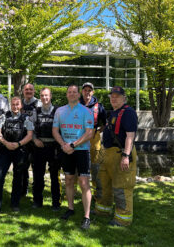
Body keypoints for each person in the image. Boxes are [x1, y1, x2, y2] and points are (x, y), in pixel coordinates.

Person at [52, 85, 95, 230]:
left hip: (81, 150)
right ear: (66, 94)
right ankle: (70, 208)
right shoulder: (60, 111)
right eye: (69, 92)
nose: (71, 94)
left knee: (84, 183)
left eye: (74, 92)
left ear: (79, 95)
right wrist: (64, 144)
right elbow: (55, 130)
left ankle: (87, 216)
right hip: (66, 149)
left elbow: (90, 133)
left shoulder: (86, 111)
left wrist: (73, 145)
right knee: (69, 180)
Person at [94, 86, 138, 227]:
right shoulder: (113, 113)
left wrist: (126, 155)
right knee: (103, 183)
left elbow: (130, 136)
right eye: (112, 96)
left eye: (117, 96)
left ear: (124, 98)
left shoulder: (128, 113)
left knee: (121, 187)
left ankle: (123, 219)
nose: (113, 98)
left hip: (120, 154)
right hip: (107, 153)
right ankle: (102, 210)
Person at [0, 97, 34, 217]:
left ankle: (15, 204)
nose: (15, 106)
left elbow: (29, 135)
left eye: (17, 104)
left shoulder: (26, 118)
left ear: (21, 105)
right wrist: (6, 143)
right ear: (10, 105)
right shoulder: (4, 116)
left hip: (19, 150)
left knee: (18, 178)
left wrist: (17, 144)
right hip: (4, 150)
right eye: (13, 104)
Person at [32, 88, 62, 210]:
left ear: (51, 96)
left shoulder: (57, 111)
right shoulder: (36, 111)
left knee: (55, 176)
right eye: (42, 95)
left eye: (46, 95)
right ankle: (37, 201)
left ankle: (56, 203)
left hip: (54, 147)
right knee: (38, 175)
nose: (44, 98)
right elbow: (30, 128)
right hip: (39, 146)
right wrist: (34, 139)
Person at [80, 82, 106, 197]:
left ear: (93, 92)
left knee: (95, 165)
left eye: (89, 90)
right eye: (85, 90)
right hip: (78, 136)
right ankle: (75, 190)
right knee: (78, 164)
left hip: (94, 138)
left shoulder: (99, 106)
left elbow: (105, 123)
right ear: (82, 92)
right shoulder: (75, 104)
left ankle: (96, 191)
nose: (87, 92)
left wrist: (98, 131)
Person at [20, 83, 41, 197]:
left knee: (36, 166)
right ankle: (24, 189)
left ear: (34, 91)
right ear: (23, 91)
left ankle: (36, 191)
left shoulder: (38, 103)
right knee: (23, 165)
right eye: (26, 89)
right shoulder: (20, 103)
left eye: (30, 89)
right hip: (23, 139)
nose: (28, 91)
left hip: (34, 139)